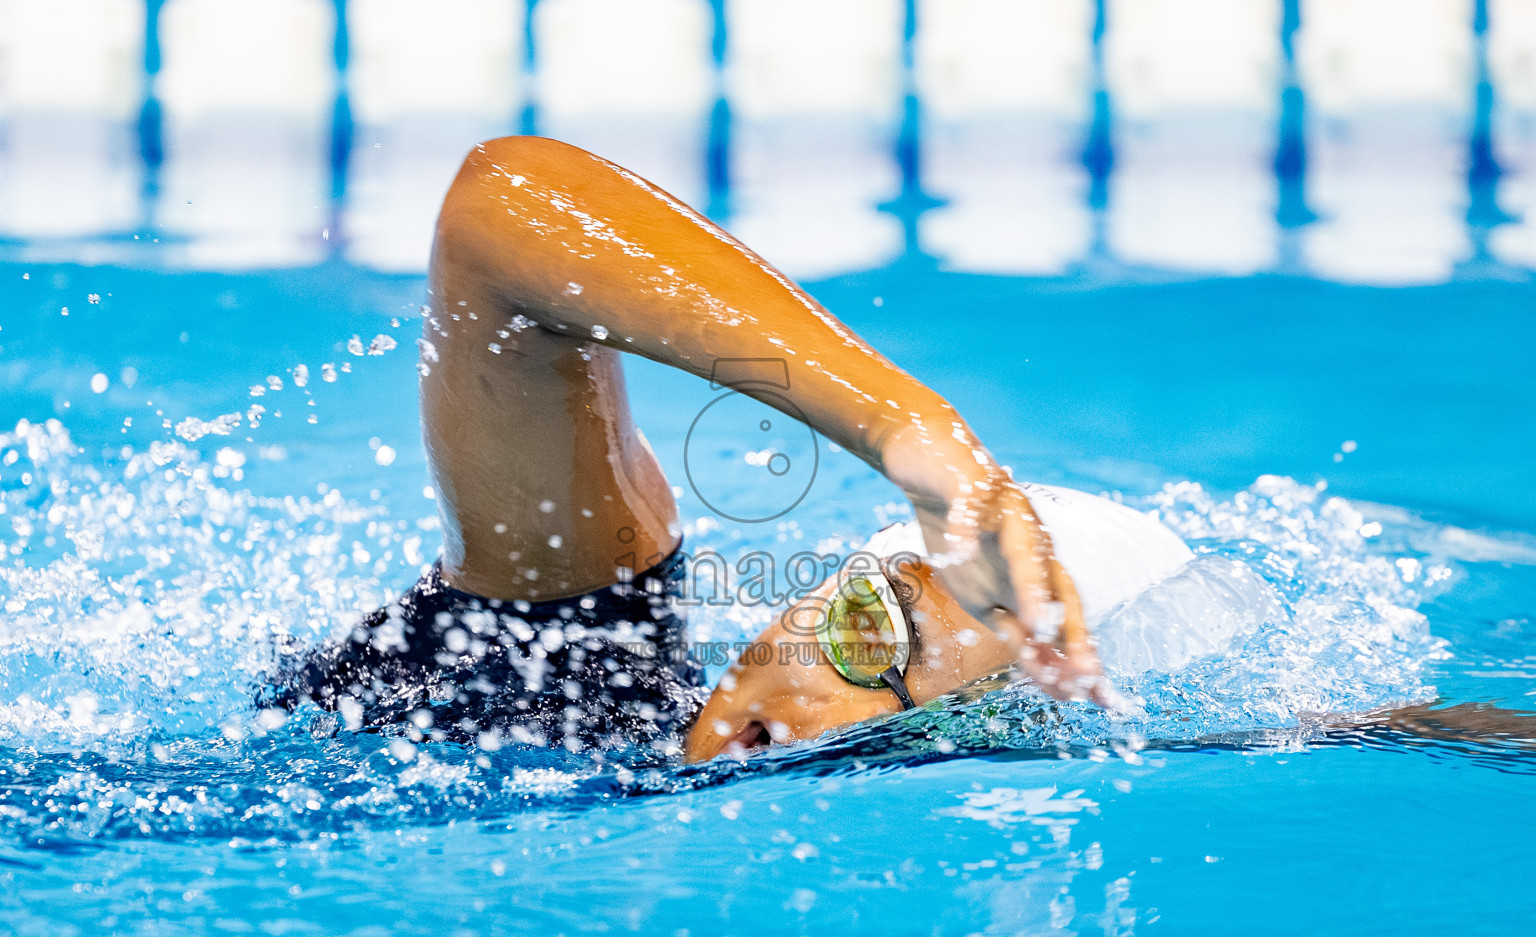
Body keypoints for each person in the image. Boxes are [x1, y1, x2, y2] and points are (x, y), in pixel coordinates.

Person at [272, 135, 1111, 760]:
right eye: (869, 633)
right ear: (818, 598)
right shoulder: (572, 656)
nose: (837, 720)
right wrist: (914, 432)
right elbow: (501, 206)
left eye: (931, 735)